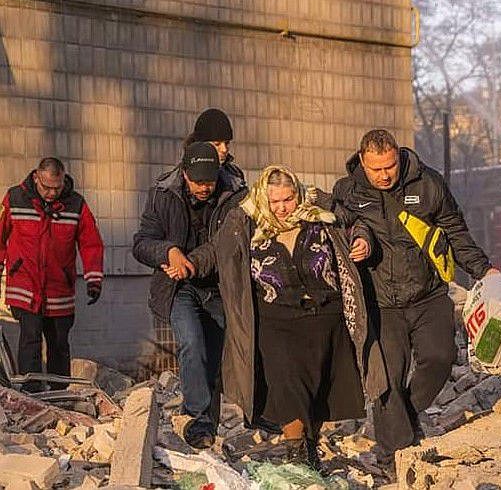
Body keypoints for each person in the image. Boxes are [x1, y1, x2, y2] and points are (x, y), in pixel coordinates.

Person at [173, 165, 387, 469]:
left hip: (324, 319)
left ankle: (309, 452)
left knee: (316, 391)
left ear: (297, 195)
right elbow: (215, 249)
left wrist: (363, 240)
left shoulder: (320, 212)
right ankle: (296, 454)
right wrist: (190, 263)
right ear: (264, 199)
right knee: (287, 386)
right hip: (275, 321)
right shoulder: (244, 222)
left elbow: (356, 225)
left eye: (288, 199)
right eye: (276, 202)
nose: (283, 208)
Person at [333, 129, 498, 464]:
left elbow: (455, 231)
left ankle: (404, 416)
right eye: (376, 169)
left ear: (399, 157)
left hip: (427, 293)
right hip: (379, 301)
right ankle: (399, 455)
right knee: (388, 378)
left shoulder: (428, 183)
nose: (384, 175)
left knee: (441, 357)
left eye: (390, 166)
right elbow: (341, 228)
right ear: (362, 163)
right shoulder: (347, 191)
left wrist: (484, 271)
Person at [132, 142, 246, 448]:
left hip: (219, 288)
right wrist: (168, 252)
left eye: (209, 181)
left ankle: (207, 427)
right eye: (198, 182)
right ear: (184, 174)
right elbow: (142, 242)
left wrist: (191, 263)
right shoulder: (163, 193)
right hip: (179, 289)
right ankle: (196, 420)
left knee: (213, 360)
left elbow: (228, 243)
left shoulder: (236, 195)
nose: (204, 188)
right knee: (191, 344)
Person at [0, 158, 104, 391]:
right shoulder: (14, 198)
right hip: (24, 287)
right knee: (30, 340)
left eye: (56, 188)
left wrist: (94, 277)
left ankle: (60, 395)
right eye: (46, 187)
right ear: (36, 178)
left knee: (59, 344)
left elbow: (91, 244)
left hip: (60, 290)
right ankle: (31, 394)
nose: (51, 193)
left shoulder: (76, 204)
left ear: (63, 180)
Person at [183, 108, 244, 182]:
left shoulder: (235, 174)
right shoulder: (176, 181)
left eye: (227, 143)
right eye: (217, 144)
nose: (224, 149)